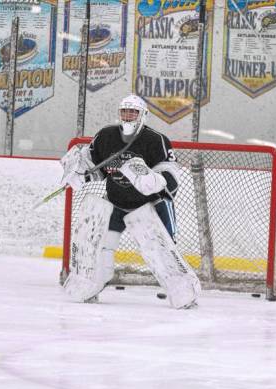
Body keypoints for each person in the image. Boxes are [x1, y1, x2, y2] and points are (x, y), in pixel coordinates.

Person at [58, 94, 201, 309]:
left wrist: (153, 181)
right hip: (115, 203)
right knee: (101, 248)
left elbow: (171, 179)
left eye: (133, 111)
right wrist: (80, 174)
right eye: (124, 111)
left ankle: (184, 293)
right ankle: (91, 287)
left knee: (162, 251)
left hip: (151, 205)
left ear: (143, 115)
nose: (128, 115)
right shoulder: (106, 136)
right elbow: (96, 166)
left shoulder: (156, 140)